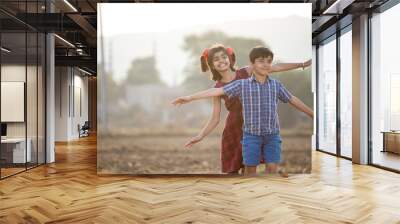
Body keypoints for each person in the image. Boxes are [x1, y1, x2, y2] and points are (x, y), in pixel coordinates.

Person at [173, 46, 313, 176]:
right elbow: (215, 118)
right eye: (216, 59)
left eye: (224, 57)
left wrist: (301, 64)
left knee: (256, 167)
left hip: (257, 126)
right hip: (234, 129)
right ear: (211, 65)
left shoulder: (247, 71)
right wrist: (200, 135)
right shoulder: (218, 87)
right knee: (234, 172)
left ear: (230, 58)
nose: (221, 61)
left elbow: (275, 67)